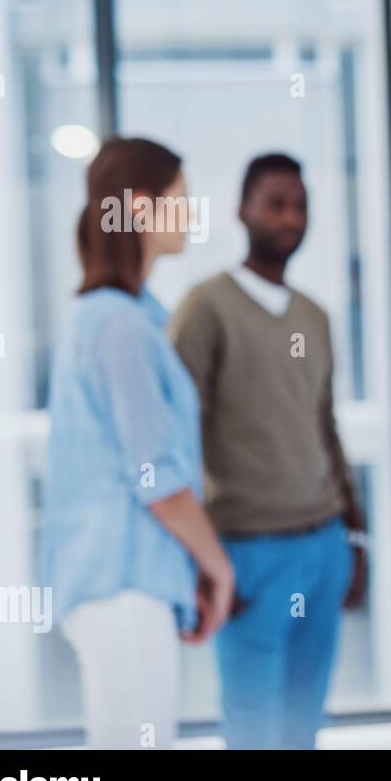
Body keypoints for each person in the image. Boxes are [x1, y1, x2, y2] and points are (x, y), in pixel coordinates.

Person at [41, 137, 234, 749]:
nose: (192, 212)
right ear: (144, 209)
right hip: (120, 587)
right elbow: (153, 477)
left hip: (129, 585)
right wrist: (217, 565)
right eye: (183, 197)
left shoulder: (129, 316)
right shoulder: (121, 326)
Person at [170, 153, 366, 749]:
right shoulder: (206, 308)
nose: (290, 217)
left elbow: (324, 426)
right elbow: (175, 434)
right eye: (275, 203)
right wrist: (198, 558)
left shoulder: (315, 317)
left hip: (324, 546)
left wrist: (354, 536)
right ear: (242, 210)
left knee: (304, 725)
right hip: (247, 551)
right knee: (255, 731)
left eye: (300, 205)